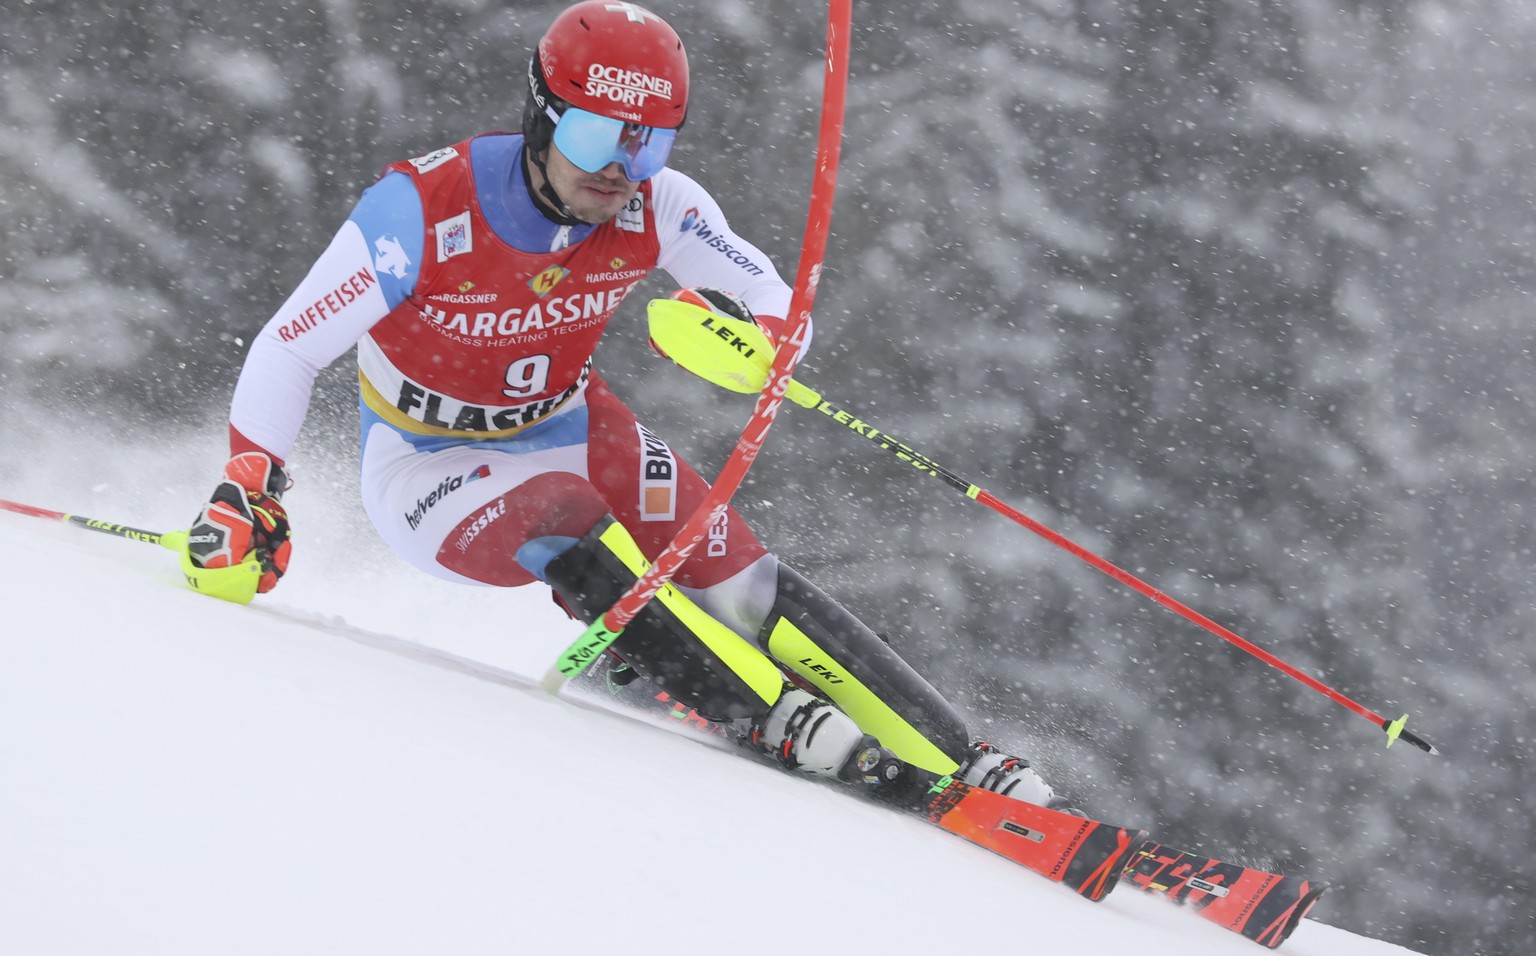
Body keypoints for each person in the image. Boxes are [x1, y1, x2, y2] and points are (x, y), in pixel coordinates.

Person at [186, 0, 1063, 808]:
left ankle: (962, 758)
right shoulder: (422, 208)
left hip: (573, 423)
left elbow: (775, 303)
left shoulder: (660, 206)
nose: (620, 166)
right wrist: (247, 484)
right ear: (544, 113)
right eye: (602, 131)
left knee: (739, 581)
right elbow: (290, 345)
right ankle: (761, 712)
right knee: (565, 517)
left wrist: (759, 341)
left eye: (648, 141)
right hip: (429, 461)